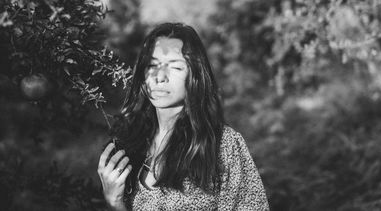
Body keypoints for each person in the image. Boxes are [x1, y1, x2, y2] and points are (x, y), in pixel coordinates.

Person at [97, 23, 269, 211]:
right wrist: (115, 203)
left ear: (194, 75)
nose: (160, 77)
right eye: (152, 65)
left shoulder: (222, 145)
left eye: (175, 67)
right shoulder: (127, 145)